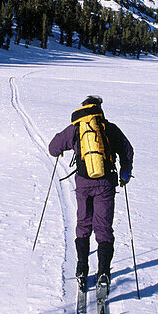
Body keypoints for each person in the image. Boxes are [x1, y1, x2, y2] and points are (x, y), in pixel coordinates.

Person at [48, 95, 134, 294]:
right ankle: (103, 272)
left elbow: (53, 148)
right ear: (99, 108)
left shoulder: (76, 129)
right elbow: (127, 150)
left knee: (83, 225)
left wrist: (63, 150)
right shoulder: (109, 128)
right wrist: (125, 172)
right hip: (105, 183)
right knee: (103, 228)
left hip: (83, 183)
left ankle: (81, 270)